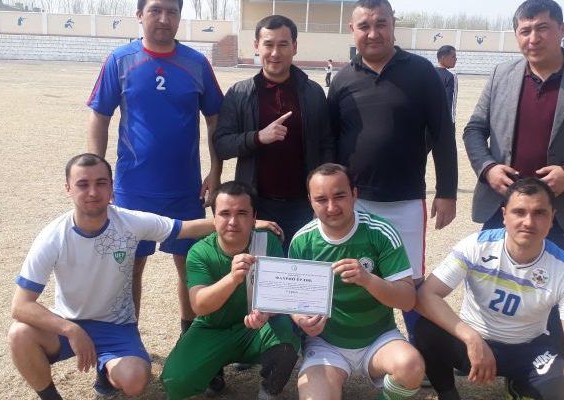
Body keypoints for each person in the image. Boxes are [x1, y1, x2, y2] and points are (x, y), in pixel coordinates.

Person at [462, 0, 564, 353]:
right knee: (493, 285)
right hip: (502, 206)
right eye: (525, 30)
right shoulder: (501, 74)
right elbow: (474, 129)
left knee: (557, 292)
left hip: (563, 212)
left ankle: (549, 365)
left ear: (561, 30)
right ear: (516, 35)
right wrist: (488, 168)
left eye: (542, 28)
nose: (533, 38)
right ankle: (493, 355)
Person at [7, 154, 222, 400]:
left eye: (101, 183)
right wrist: (70, 329)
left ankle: (105, 365)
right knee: (19, 334)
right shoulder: (52, 236)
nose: (92, 192)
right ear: (68, 188)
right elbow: (20, 306)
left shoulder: (129, 222)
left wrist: (243, 221)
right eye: (82, 184)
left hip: (116, 326)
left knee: (135, 380)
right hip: (70, 321)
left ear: (111, 187)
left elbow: (187, 228)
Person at [86, 0, 225, 335]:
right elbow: (100, 117)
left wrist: (216, 172)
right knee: (130, 267)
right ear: (139, 15)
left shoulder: (196, 63)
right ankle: (127, 339)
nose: (164, 19)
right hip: (134, 189)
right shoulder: (120, 61)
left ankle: (190, 337)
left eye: (172, 12)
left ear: (179, 17)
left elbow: (215, 120)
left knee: (191, 267)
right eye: (155, 10)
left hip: (186, 190)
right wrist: (96, 176)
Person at [328, 0, 458, 338]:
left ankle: (422, 348)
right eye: (364, 26)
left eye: (381, 24)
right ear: (352, 30)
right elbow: (331, 142)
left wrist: (447, 192)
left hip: (405, 200)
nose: (373, 33)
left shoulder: (422, 72)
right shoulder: (342, 80)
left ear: (393, 24)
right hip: (355, 202)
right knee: (356, 276)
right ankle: (360, 342)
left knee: (410, 281)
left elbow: (443, 133)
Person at [413, 178, 564, 400]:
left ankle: (519, 385)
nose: (528, 222)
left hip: (530, 353)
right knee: (426, 329)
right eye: (519, 212)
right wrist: (471, 338)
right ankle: (448, 394)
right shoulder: (476, 245)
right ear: (504, 215)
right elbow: (426, 295)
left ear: (552, 218)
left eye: (539, 213)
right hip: (474, 343)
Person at [290, 163, 425, 400]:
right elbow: (293, 299)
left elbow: (407, 300)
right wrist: (302, 319)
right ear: (310, 201)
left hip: (378, 339)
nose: (332, 207)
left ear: (354, 194)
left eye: (339, 196)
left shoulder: (381, 232)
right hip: (325, 345)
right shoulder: (302, 241)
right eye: (321, 199)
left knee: (411, 367)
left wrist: (368, 279)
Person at [161, 181, 300, 400]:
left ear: (254, 218)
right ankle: (213, 374)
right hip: (212, 328)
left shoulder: (268, 243)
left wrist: (266, 313)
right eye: (225, 214)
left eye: (242, 213)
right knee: (175, 381)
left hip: (255, 329)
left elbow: (280, 294)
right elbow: (199, 305)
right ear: (214, 218)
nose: (233, 222)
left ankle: (269, 390)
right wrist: (233, 278)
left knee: (288, 340)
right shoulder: (200, 252)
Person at [214, 15, 334, 252]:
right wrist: (258, 137)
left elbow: (327, 144)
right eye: (268, 44)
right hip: (257, 205)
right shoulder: (239, 93)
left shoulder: (312, 92)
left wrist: (323, 195)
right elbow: (222, 144)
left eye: (283, 44)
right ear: (256, 46)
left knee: (302, 266)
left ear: (294, 47)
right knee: (257, 268)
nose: (275, 53)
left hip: (304, 204)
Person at [435, 45, 458, 126]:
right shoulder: (451, 76)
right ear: (443, 58)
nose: (456, 59)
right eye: (453, 57)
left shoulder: (429, 72)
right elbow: (451, 103)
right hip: (444, 123)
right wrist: (451, 124)